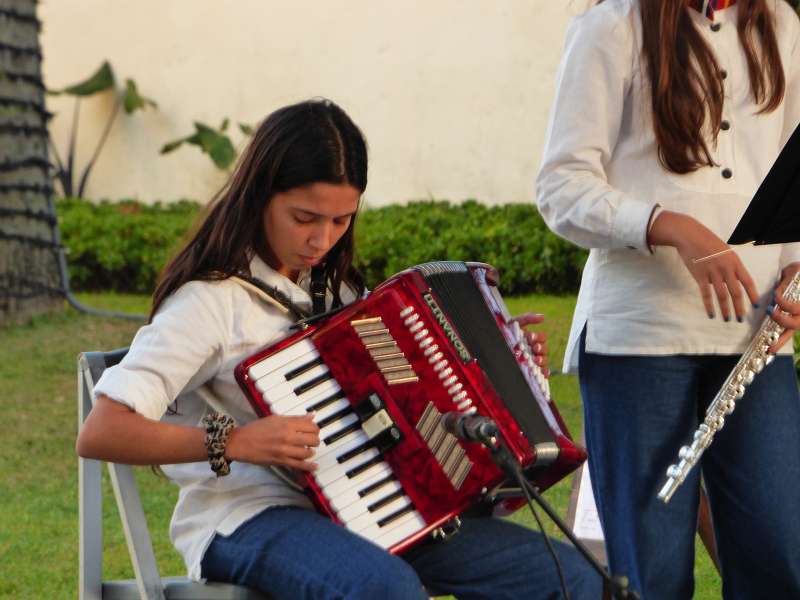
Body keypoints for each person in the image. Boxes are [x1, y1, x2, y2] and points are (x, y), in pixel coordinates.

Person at [77, 99, 599, 600]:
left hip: (377, 504)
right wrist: (235, 441)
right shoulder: (208, 303)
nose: (322, 239)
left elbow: (415, 406)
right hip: (247, 514)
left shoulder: (341, 293)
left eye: (341, 220)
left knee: (571, 578)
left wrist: (504, 365)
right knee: (383, 589)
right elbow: (102, 431)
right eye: (304, 218)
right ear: (260, 196)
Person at [536, 1, 800, 598]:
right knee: (651, 575)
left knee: (780, 556)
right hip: (639, 336)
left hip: (755, 336)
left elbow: (790, 173)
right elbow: (561, 187)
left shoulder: (782, 23)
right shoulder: (611, 26)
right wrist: (670, 226)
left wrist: (795, 271)